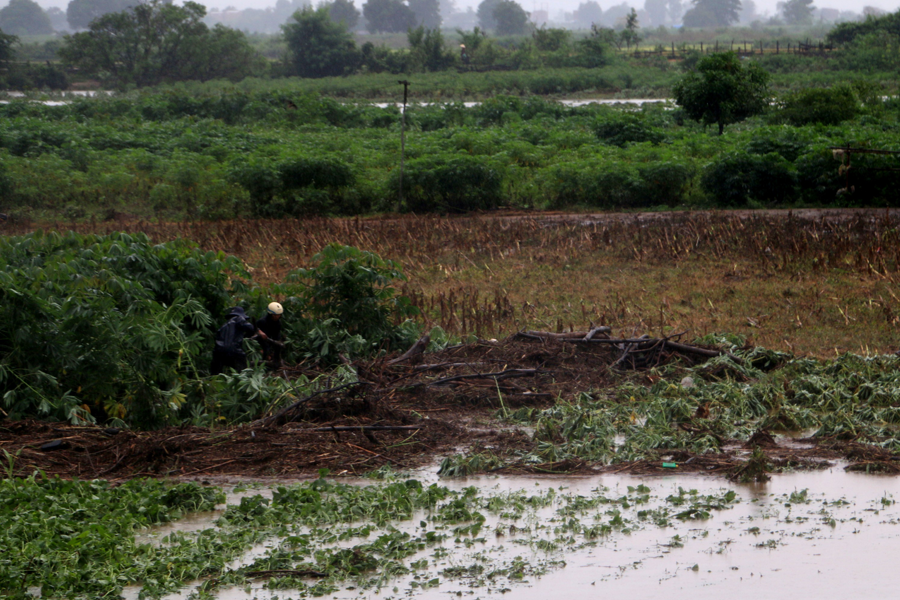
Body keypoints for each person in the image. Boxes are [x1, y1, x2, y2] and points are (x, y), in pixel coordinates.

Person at [211, 306, 262, 374]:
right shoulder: (238, 318)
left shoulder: (223, 326)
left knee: (215, 373)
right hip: (234, 350)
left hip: (219, 351)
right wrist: (256, 330)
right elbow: (248, 326)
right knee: (243, 371)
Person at [256, 302, 284, 367]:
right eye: (275, 315)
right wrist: (266, 351)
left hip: (270, 342)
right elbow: (261, 338)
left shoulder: (278, 323)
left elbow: (276, 336)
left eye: (279, 315)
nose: (277, 317)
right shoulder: (262, 322)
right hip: (260, 344)